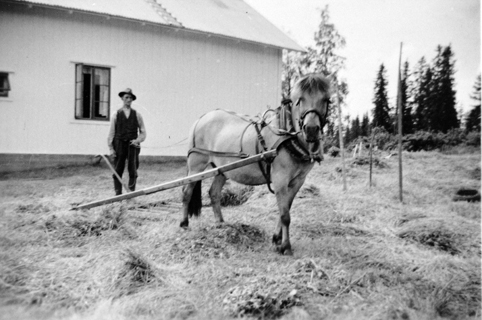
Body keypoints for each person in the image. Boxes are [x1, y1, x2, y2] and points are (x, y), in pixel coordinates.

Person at [107, 88, 147, 195]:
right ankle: (118, 195)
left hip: (132, 145)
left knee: (133, 170)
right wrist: (111, 148)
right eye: (126, 97)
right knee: (117, 169)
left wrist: (137, 140)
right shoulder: (116, 114)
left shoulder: (137, 115)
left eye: (130, 98)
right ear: (122, 98)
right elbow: (111, 132)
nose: (128, 100)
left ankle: (131, 194)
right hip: (119, 144)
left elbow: (143, 132)